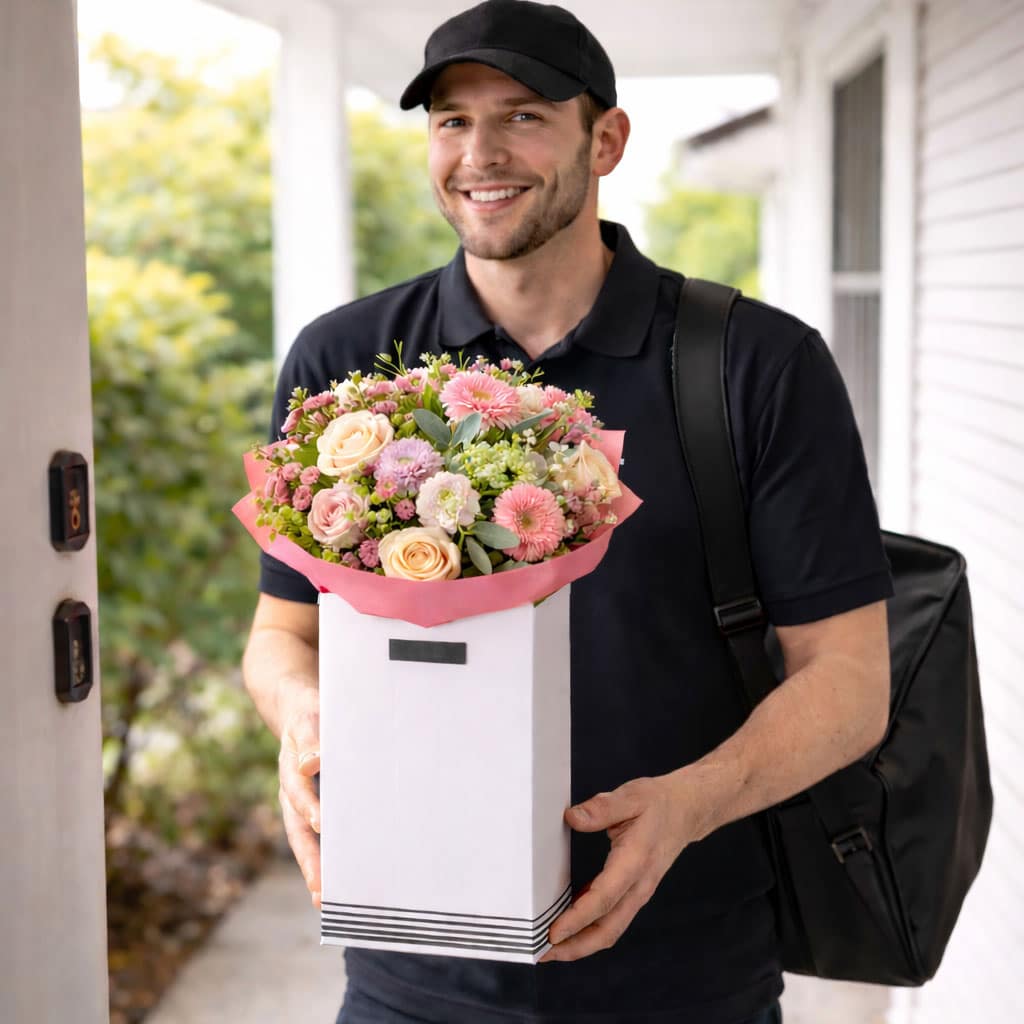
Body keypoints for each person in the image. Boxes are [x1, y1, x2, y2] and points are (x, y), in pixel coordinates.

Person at [241, 1, 893, 1021]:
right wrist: (304, 720)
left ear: (607, 139)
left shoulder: (755, 364)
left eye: (523, 115)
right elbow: (282, 631)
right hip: (414, 968)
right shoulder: (348, 367)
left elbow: (849, 681)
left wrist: (687, 806)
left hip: (687, 971)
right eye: (451, 120)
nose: (479, 153)